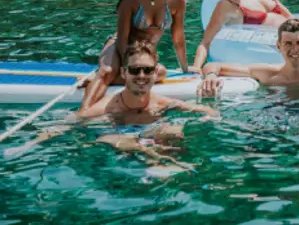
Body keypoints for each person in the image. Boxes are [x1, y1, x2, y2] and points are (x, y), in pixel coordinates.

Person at [8, 41, 216, 166]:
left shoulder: (161, 102)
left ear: (155, 74)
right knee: (123, 141)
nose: (141, 76)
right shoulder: (108, 107)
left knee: (173, 131)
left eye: (147, 70)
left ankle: (160, 165)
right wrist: (28, 145)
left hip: (147, 135)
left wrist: (209, 112)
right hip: (119, 140)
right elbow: (65, 124)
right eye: (135, 70)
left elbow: (205, 110)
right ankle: (154, 162)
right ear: (124, 73)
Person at [81, 0, 188, 112]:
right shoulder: (129, 2)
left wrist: (186, 70)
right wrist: (127, 65)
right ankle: (83, 112)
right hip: (120, 47)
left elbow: (178, 38)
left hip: (144, 52)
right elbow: (123, 38)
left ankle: (99, 82)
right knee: (107, 71)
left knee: (160, 73)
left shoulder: (176, 0)